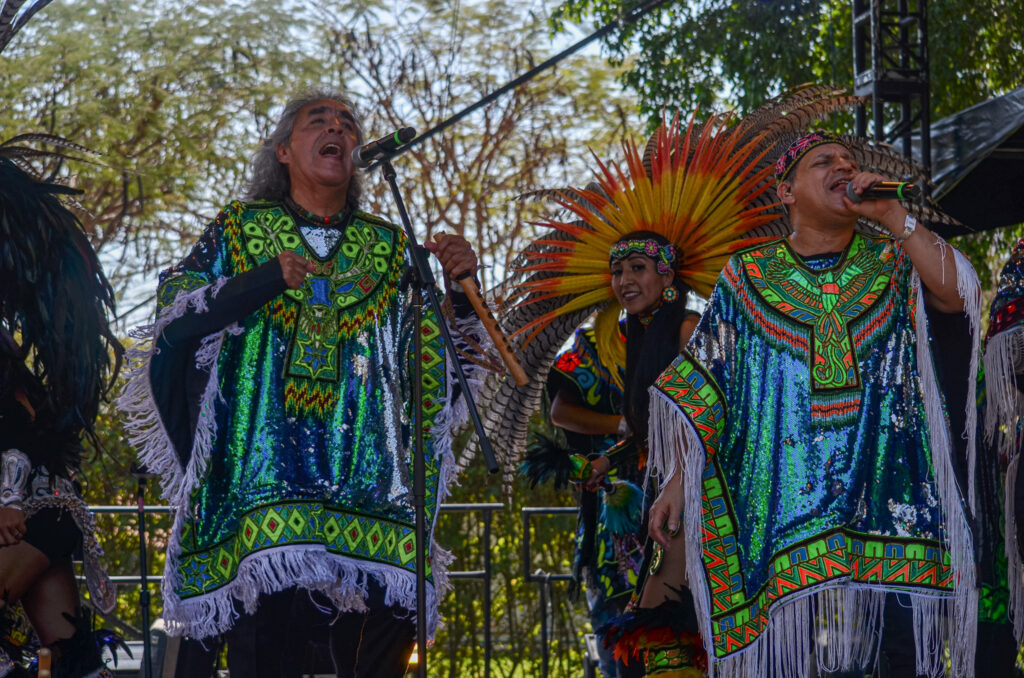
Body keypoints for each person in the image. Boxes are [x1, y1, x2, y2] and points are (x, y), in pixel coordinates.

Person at [119, 88, 490, 678]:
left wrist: (460, 293)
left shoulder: (390, 247)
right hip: (261, 488)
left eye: (348, 123)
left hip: (366, 495)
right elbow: (173, 311)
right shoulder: (240, 228)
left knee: (377, 656)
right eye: (320, 120)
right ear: (284, 151)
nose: (337, 129)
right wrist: (263, 279)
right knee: (265, 657)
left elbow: (436, 372)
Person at [645, 130, 982, 678]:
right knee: (789, 662)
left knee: (900, 660)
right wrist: (682, 478)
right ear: (787, 192)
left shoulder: (895, 263)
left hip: (889, 499)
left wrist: (896, 216)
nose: (844, 168)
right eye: (825, 162)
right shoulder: (747, 277)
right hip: (782, 509)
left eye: (850, 162)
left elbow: (959, 294)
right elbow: (714, 388)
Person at [0, 155, 120, 678]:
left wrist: (6, 501)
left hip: (23, 515)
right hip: (45, 514)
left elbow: (14, 427)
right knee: (68, 646)